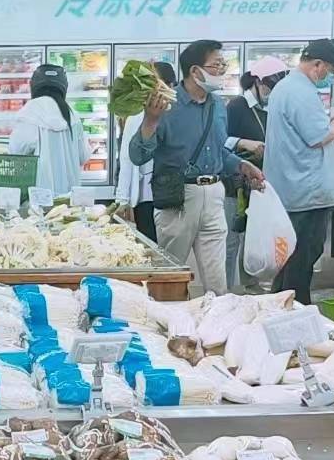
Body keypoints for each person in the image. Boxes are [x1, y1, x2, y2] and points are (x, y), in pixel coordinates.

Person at [129, 40, 264, 295]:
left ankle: (216, 316)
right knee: (171, 276)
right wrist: (151, 121)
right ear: (194, 71)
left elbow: (218, 150)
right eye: (216, 65)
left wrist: (241, 165)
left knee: (217, 281)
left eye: (224, 65)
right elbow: (137, 156)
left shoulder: (218, 105)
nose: (222, 70)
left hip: (214, 194)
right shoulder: (166, 104)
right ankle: (170, 316)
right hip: (179, 199)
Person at [264, 38, 334, 305]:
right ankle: (295, 313)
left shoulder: (287, 87)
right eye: (332, 69)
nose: (331, 75)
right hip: (306, 192)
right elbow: (317, 137)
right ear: (318, 64)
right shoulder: (300, 91)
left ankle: (280, 308)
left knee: (292, 261)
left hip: (295, 188)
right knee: (301, 260)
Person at [222, 56, 290, 291]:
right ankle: (225, 288)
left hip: (258, 181)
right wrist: (244, 143)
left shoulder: (271, 108)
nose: (272, 93)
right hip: (235, 181)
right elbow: (221, 141)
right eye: (269, 87)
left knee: (254, 233)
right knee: (232, 237)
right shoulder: (236, 107)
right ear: (258, 82)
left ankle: (250, 282)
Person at [114, 60, 177, 244]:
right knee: (151, 245)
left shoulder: (177, 113)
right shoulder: (137, 114)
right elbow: (127, 158)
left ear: (169, 86)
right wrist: (123, 200)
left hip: (172, 195)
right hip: (146, 198)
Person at [7, 64, 89, 196]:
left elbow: (16, 152)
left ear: (34, 86)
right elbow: (83, 156)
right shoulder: (72, 114)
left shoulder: (30, 112)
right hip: (69, 197)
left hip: (38, 196)